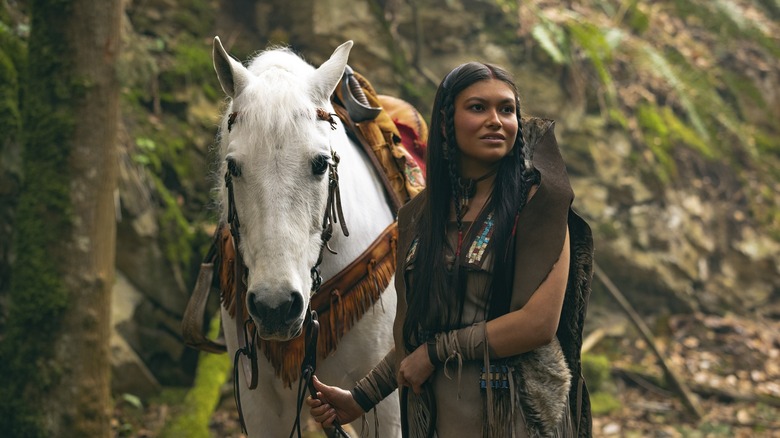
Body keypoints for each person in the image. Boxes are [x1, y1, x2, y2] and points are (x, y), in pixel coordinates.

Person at [308, 62, 594, 437]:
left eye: (506, 109)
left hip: (517, 420)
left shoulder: (539, 203)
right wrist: (360, 398)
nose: (496, 120)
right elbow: (417, 334)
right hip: (436, 421)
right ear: (446, 123)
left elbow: (537, 324)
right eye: (478, 108)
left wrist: (437, 352)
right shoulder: (419, 216)